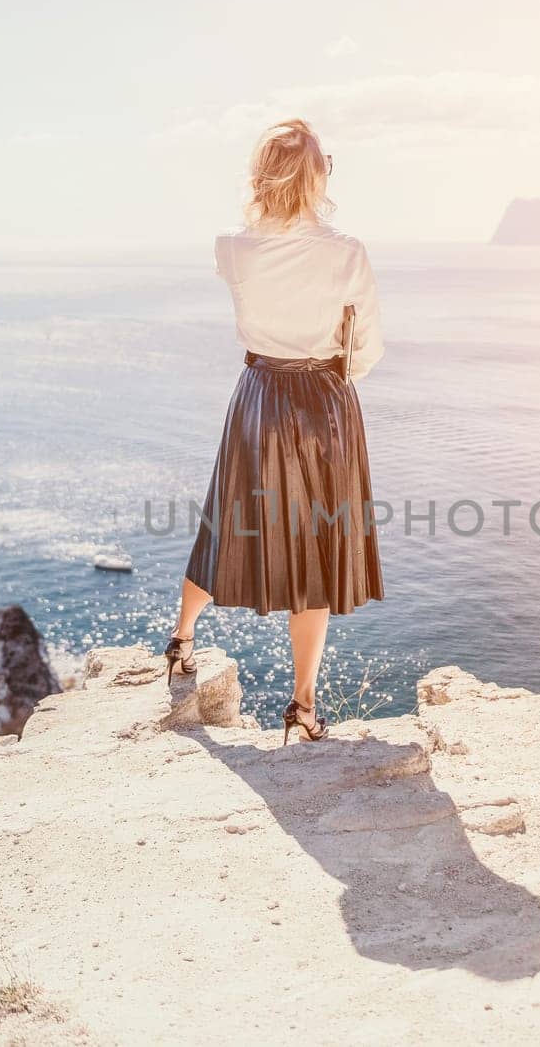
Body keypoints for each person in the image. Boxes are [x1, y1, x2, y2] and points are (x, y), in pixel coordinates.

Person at [166, 118, 385, 745]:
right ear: (317, 176)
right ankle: (303, 708)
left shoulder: (231, 248)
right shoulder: (346, 251)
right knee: (314, 551)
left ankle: (181, 641)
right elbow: (368, 348)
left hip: (258, 397)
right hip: (323, 400)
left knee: (228, 524)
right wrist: (336, 378)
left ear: (263, 176)